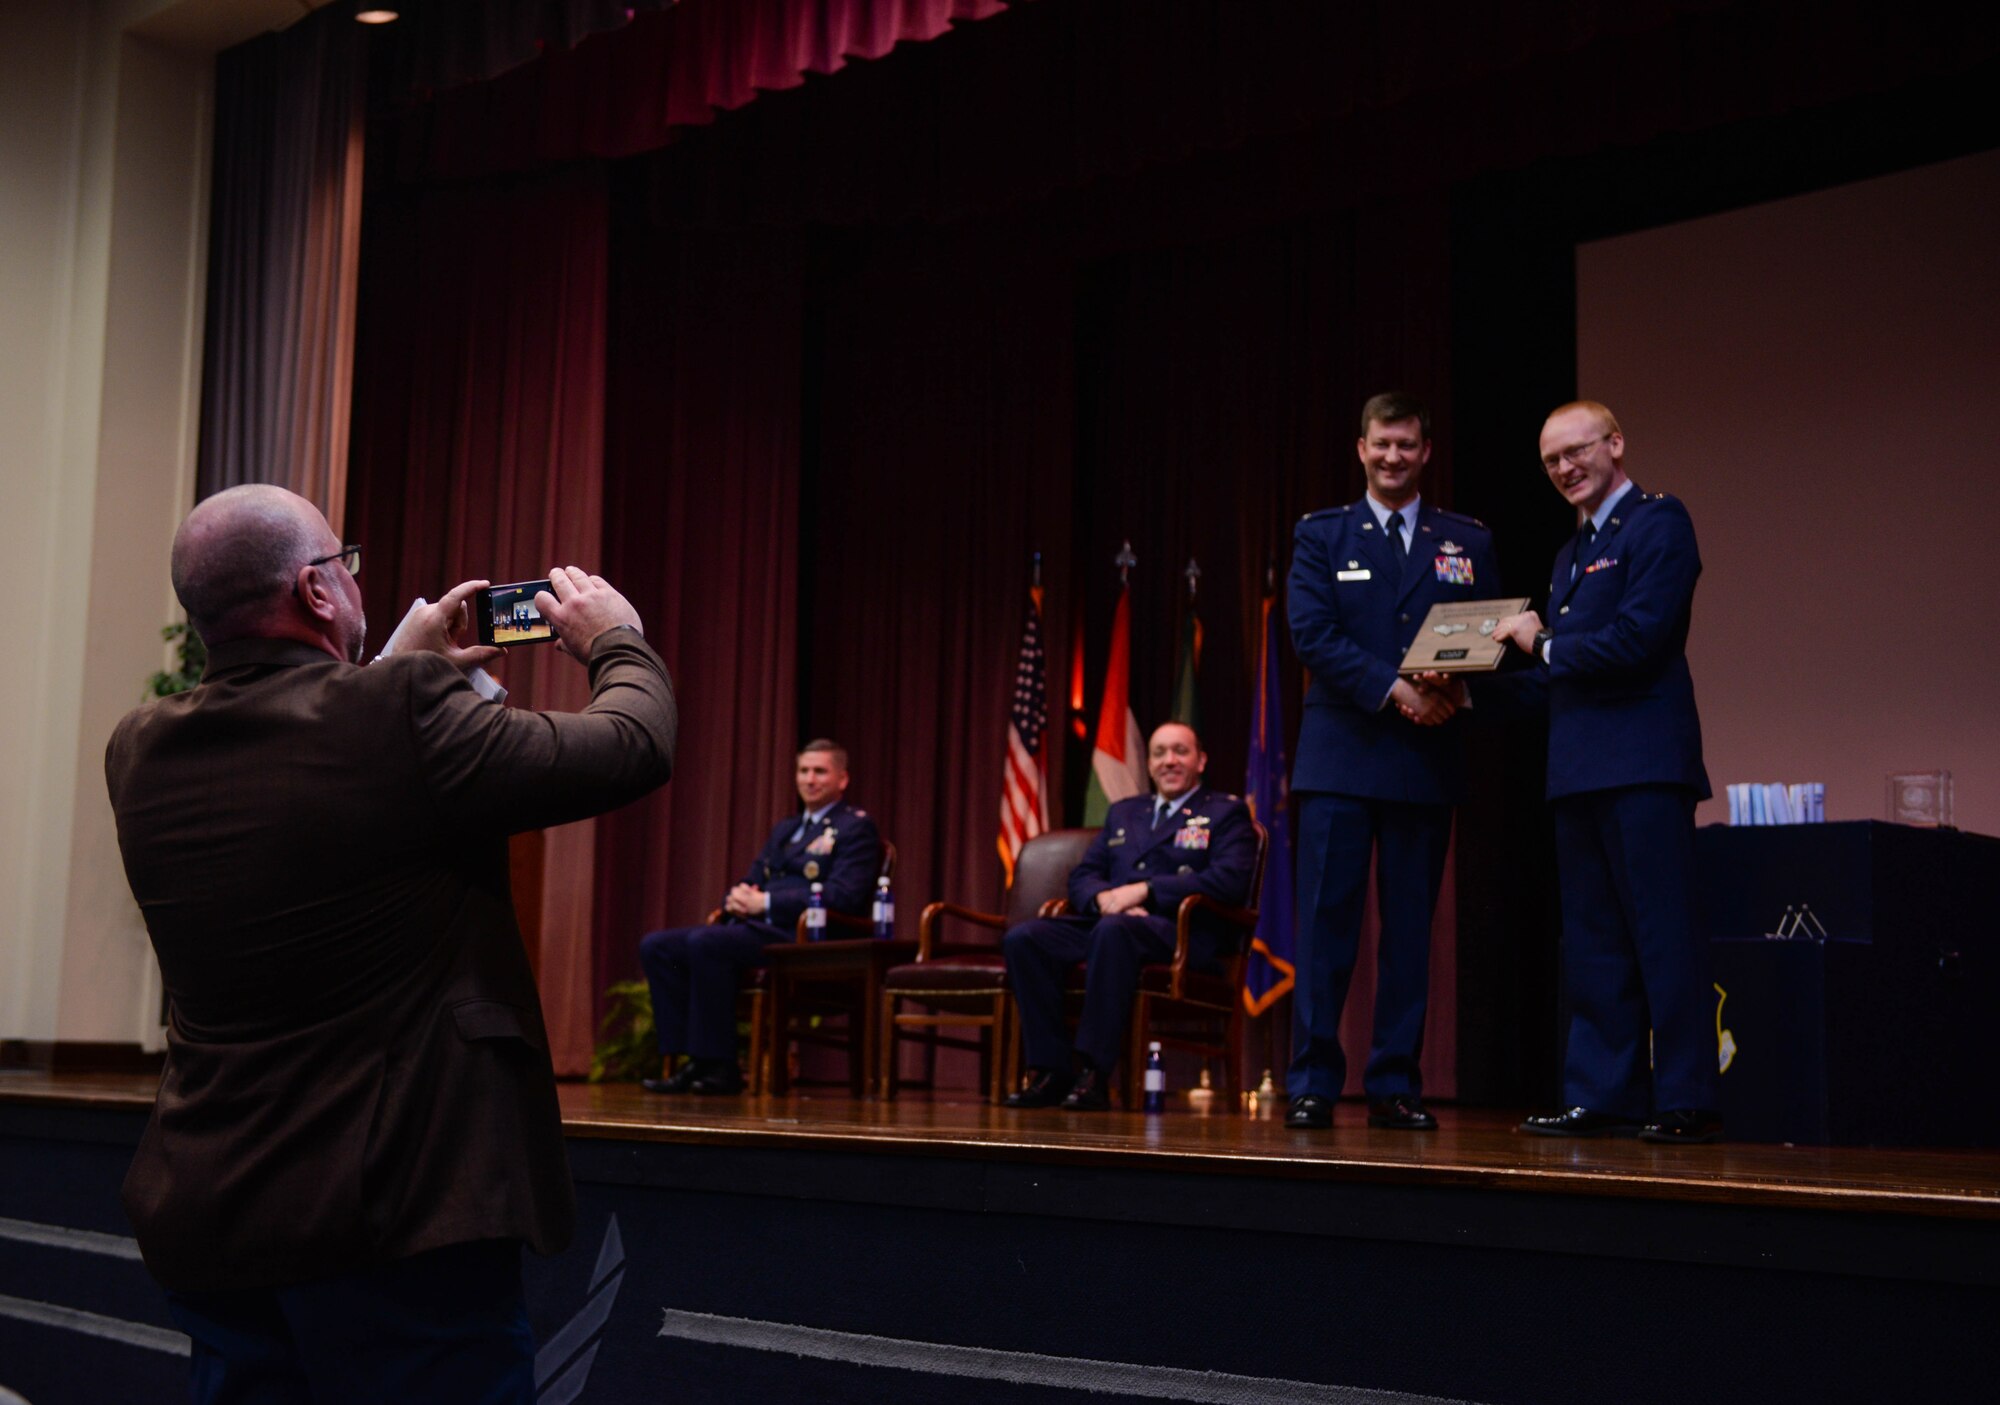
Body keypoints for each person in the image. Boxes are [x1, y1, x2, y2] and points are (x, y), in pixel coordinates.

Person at [104, 484, 677, 1402]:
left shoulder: (138, 749)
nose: (355, 581)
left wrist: (393, 673)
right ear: (317, 592)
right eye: (345, 565)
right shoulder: (399, 713)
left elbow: (313, 752)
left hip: (218, 1209)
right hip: (394, 1215)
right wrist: (615, 637)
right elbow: (632, 743)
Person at [1492, 400, 1722, 1144]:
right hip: (1578, 774)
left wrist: (1544, 643)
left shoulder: (1660, 522)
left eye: (1576, 450)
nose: (1565, 468)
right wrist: (1463, 689)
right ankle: (1603, 1095)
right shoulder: (1569, 553)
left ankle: (1685, 1097)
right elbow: (1559, 677)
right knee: (1593, 945)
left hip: (1644, 768)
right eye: (1552, 460)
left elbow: (1638, 640)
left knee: (1664, 935)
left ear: (1615, 443)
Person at [1284, 391, 1500, 1131]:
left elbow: (1483, 632)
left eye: (1406, 445)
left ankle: (1394, 1084)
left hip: (1423, 758)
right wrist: (1398, 688)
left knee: (1410, 933)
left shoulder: (1467, 538)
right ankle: (1312, 1080)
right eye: (1381, 443)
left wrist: (1450, 685)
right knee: (1325, 929)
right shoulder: (1321, 534)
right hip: (1340, 757)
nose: (1393, 456)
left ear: (1426, 451)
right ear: (1361, 447)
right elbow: (1311, 634)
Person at [1002, 722, 1257, 1111]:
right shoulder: (1125, 811)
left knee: (1115, 930)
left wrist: (1147, 891)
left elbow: (1228, 881)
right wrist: (1103, 897)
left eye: (1180, 751)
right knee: (1025, 939)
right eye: (1159, 753)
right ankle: (1052, 1070)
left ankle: (1094, 1073)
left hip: (1181, 934)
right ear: (1149, 763)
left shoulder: (1225, 812)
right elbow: (1085, 874)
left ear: (1201, 761)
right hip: (1111, 922)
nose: (1169, 761)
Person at [636, 741, 882, 1095]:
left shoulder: (854, 827)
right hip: (759, 929)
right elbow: (753, 877)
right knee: (658, 946)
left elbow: (844, 895)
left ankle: (720, 1067)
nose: (810, 779)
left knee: (706, 942)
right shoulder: (786, 829)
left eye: (820, 771)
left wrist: (765, 903)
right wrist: (736, 898)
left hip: (802, 937)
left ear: (842, 779)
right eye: (803, 771)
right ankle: (689, 1058)